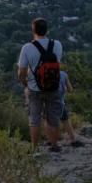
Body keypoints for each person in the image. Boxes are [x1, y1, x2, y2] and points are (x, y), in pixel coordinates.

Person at [17, 18, 64, 152]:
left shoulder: (27, 48)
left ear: (33, 30)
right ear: (47, 30)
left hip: (34, 88)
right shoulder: (57, 45)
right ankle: (54, 145)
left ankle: (34, 148)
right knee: (53, 117)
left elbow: (22, 72)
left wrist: (25, 83)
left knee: (34, 118)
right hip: (53, 86)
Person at [58, 69, 84, 147]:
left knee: (49, 121)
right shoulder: (63, 74)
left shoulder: (42, 73)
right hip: (59, 102)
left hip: (46, 101)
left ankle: (51, 141)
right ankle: (73, 140)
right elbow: (70, 89)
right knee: (65, 120)